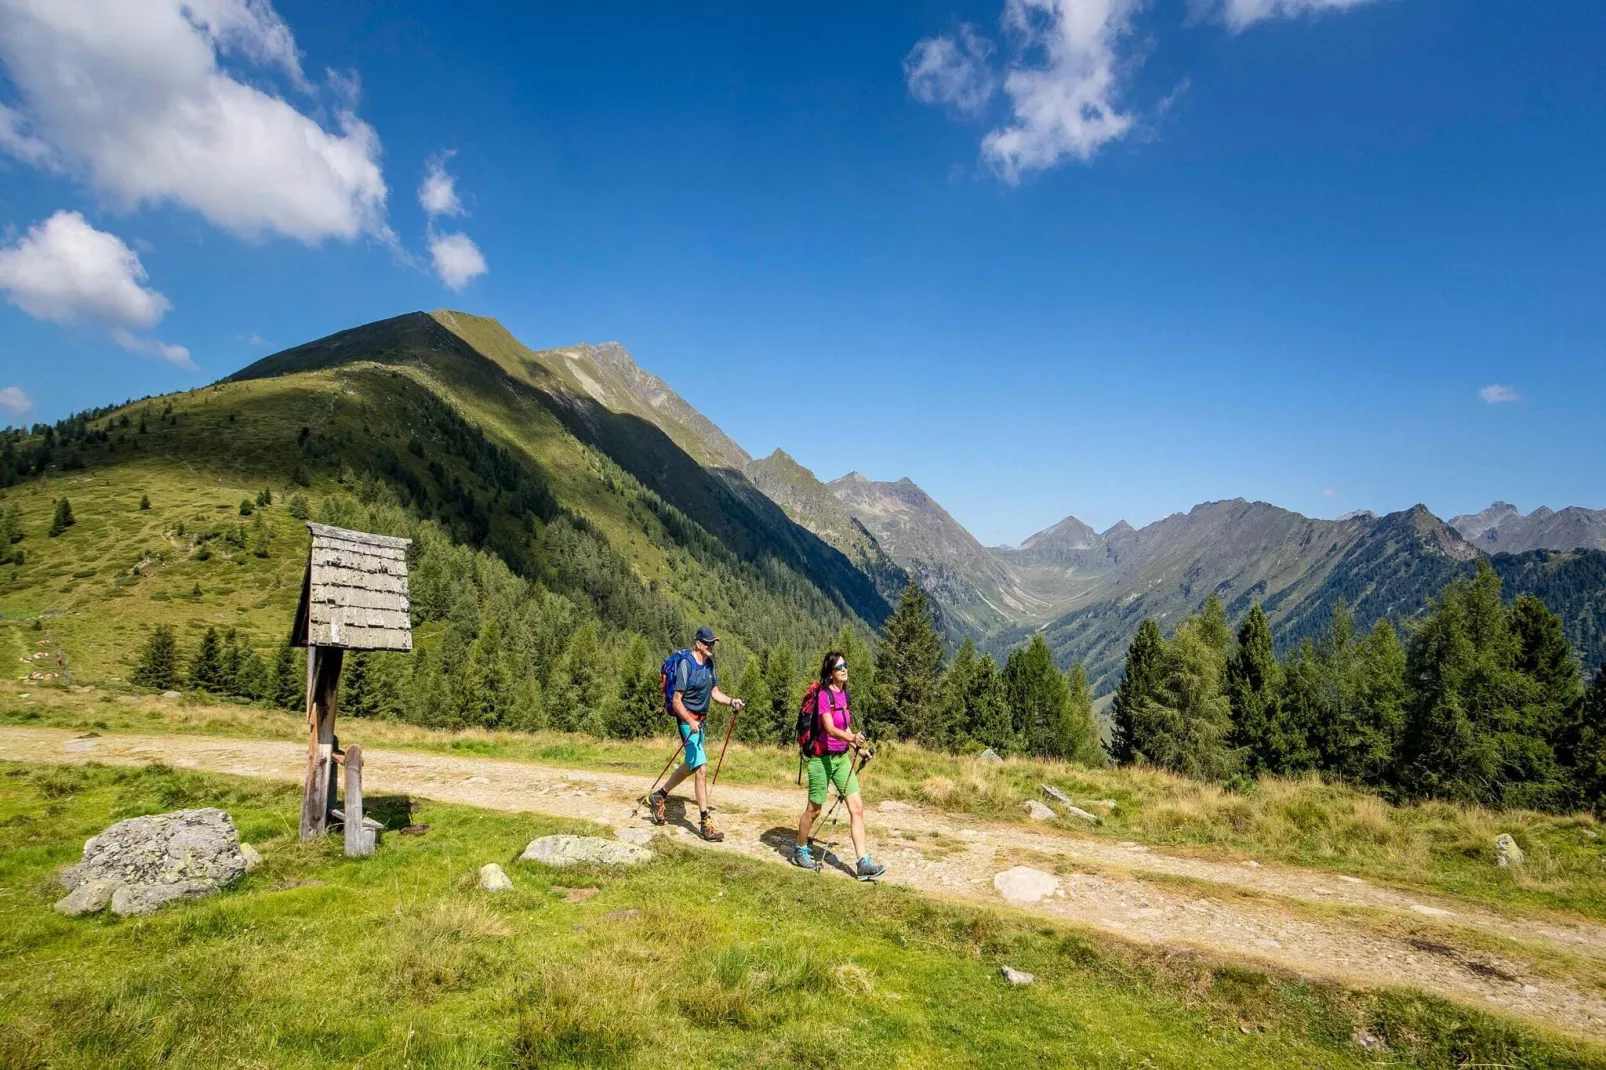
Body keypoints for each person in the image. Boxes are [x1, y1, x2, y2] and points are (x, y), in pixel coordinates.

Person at [793, 650, 885, 880]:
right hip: (820, 759)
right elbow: (830, 729)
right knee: (814, 810)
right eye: (839, 667)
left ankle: (863, 862)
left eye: (846, 665)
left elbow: (844, 728)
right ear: (830, 673)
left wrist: (858, 748)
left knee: (857, 808)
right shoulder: (824, 695)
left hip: (841, 757)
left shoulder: (845, 694)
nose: (844, 669)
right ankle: (800, 849)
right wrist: (852, 739)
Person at [650, 625, 745, 841]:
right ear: (698, 643)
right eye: (708, 643)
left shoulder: (709, 664)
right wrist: (690, 720)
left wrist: (732, 701)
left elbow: (714, 693)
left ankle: (659, 795)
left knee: (690, 765)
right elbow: (676, 701)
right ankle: (705, 823)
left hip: (700, 723)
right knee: (701, 768)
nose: (712, 646)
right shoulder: (686, 665)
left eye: (713, 643)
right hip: (687, 722)